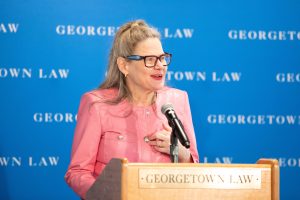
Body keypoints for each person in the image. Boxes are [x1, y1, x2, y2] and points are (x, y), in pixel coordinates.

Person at [65, 19, 199, 199]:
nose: (160, 66)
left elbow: (195, 169)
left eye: (162, 58)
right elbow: (77, 172)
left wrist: (180, 152)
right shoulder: (97, 104)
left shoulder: (177, 100)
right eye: (150, 60)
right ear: (124, 65)